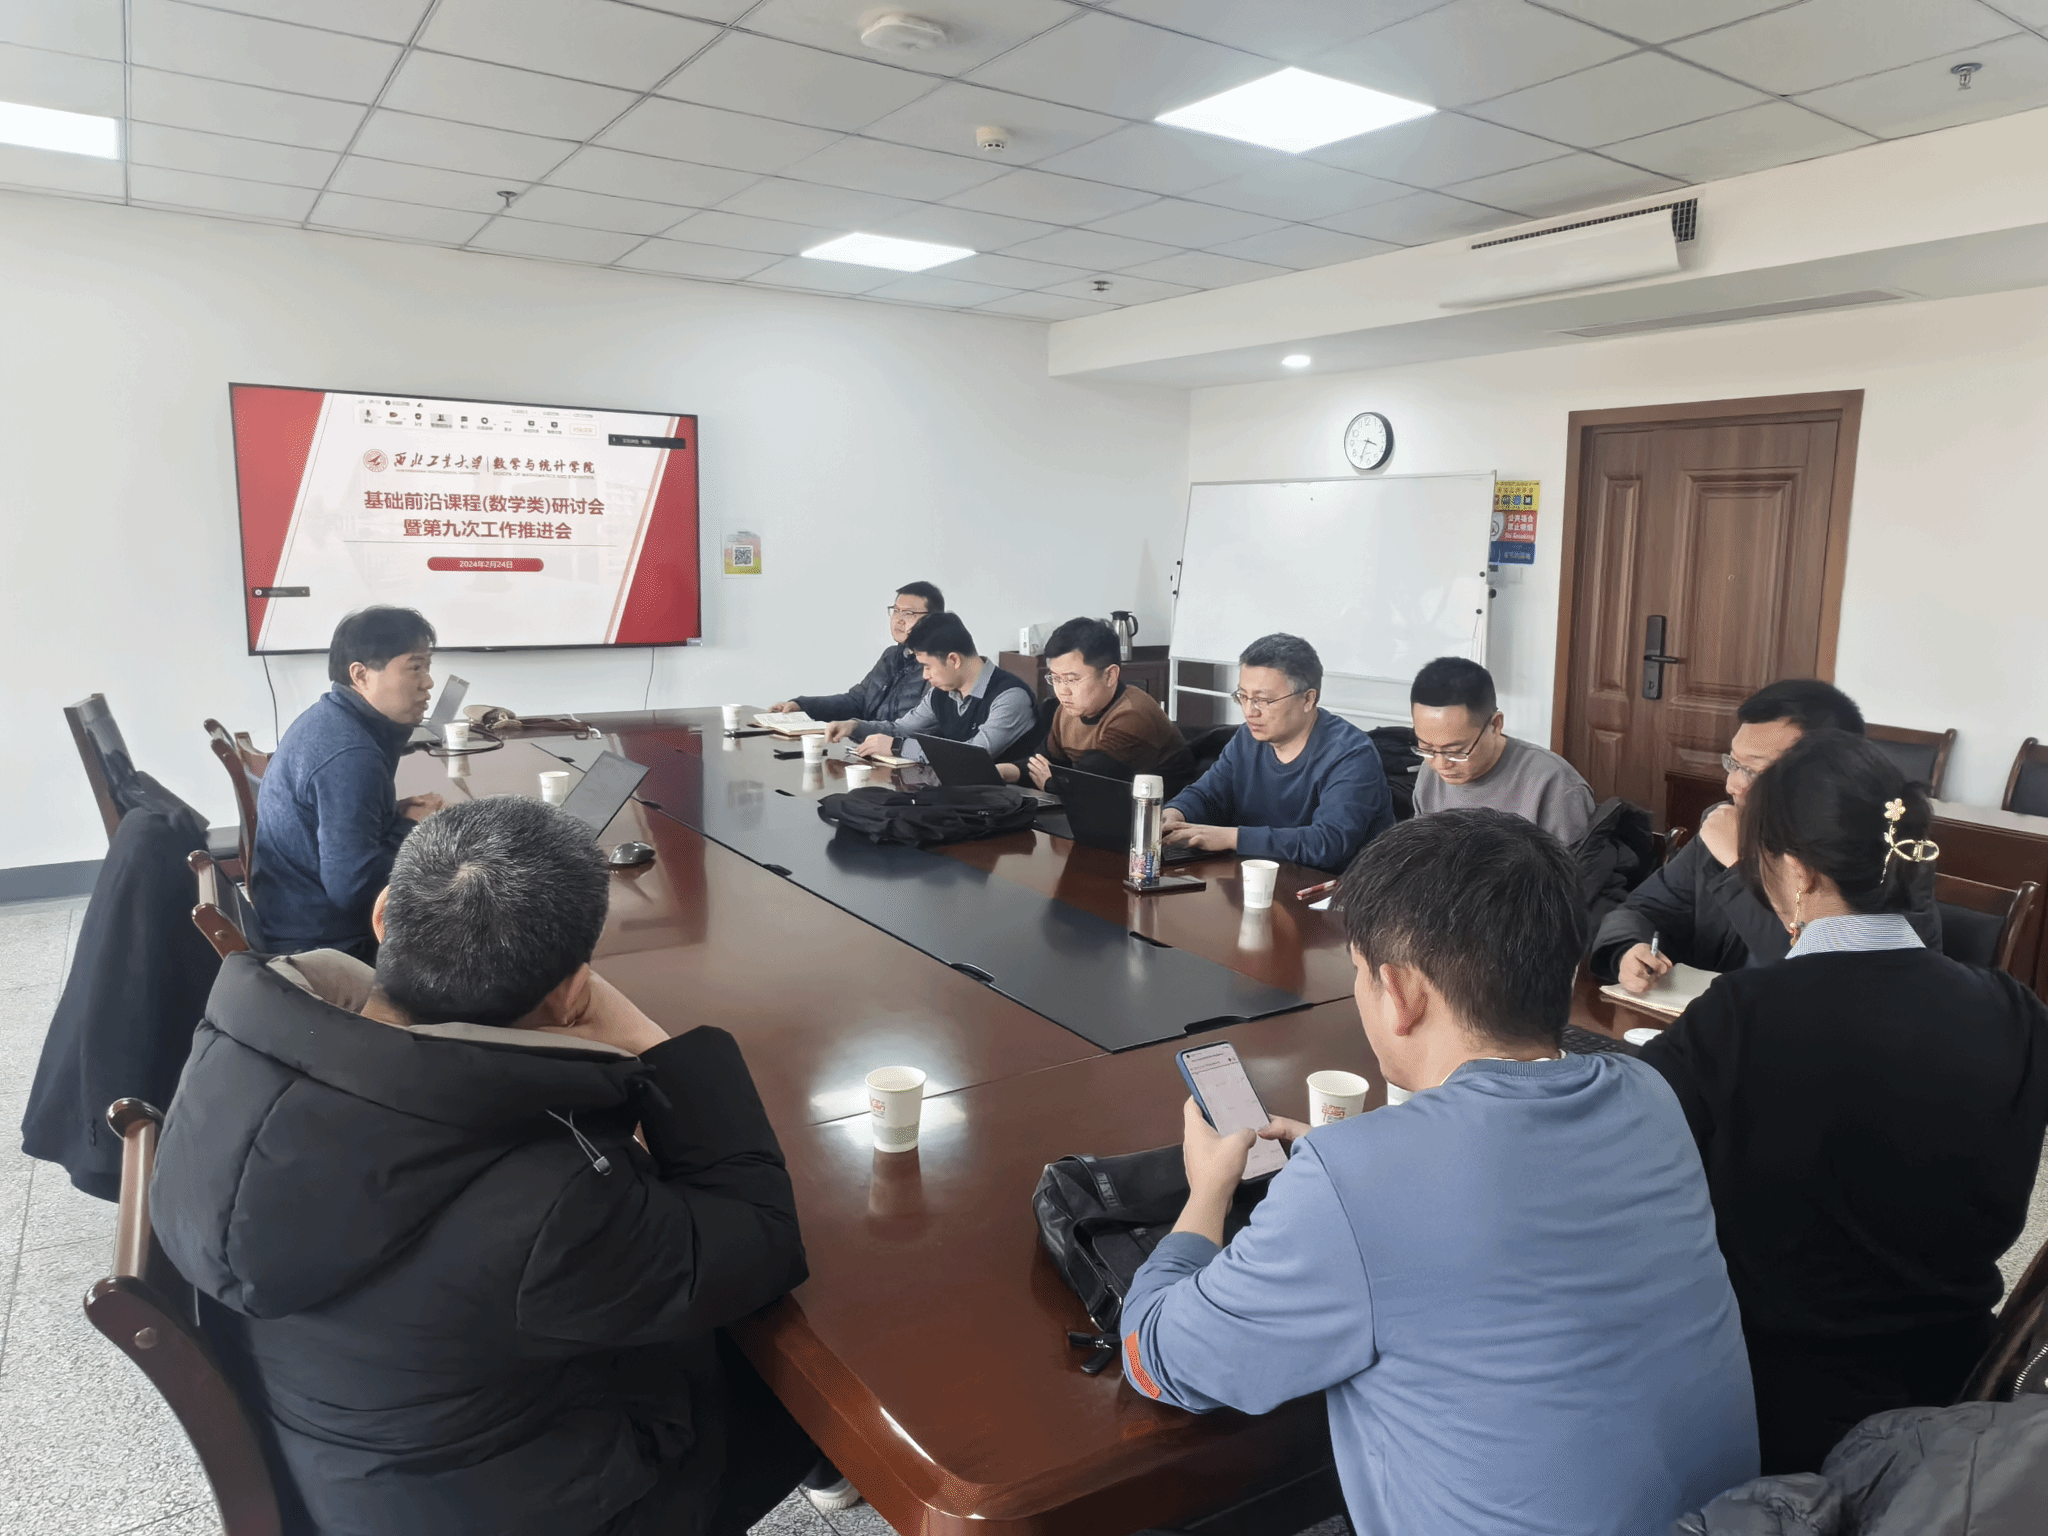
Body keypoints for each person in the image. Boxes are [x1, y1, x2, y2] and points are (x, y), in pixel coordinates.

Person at [150, 796, 819, 1536]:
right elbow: (761, 1242)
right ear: (572, 991)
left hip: (355, 1473)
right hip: (522, 1511)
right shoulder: (551, 1204)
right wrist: (652, 1046)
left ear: (383, 917)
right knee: (811, 1378)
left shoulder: (235, 1053)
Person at [1119, 809, 1758, 1534]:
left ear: (1401, 993)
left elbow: (1159, 1358)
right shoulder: (1649, 1095)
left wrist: (1208, 1192)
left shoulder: (1358, 1183)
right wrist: (1365, 1167)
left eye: (1357, 973)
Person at [1640, 730, 2048, 1475]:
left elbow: (1627, 1162)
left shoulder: (1743, 1015)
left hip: (1768, 1409)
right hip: (1952, 1400)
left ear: (1797, 872)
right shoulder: (2017, 1012)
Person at [1591, 678, 1938, 992]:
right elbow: (1644, 907)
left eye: (1755, 771)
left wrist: (1737, 864)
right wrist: (1628, 948)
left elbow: (1820, 976)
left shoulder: (1880, 858)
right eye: (1733, 764)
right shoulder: (1727, 826)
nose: (1732, 785)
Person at [253, 606, 445, 958]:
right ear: (361, 675)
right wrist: (409, 829)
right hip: (329, 948)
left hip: (294, 920)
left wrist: (390, 816)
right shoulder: (351, 754)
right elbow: (354, 890)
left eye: (428, 667)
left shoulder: (330, 719)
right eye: (415, 667)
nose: (428, 682)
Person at [1162, 633, 1392, 871]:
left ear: (1308, 699)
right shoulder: (1246, 739)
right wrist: (1175, 813)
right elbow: (1209, 794)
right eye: (1243, 697)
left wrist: (1232, 838)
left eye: (1263, 700)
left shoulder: (1351, 755)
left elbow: (1328, 843)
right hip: (1260, 879)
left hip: (1335, 887)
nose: (1249, 711)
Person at [1409, 655, 1594, 845]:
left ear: (1495, 725)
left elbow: (1570, 864)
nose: (1441, 764)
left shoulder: (1554, 785)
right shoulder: (1429, 773)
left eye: (1456, 751)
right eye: (1427, 748)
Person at [1001, 615, 1194, 793]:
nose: (1062, 691)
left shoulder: (1132, 715)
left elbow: (1086, 785)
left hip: (1158, 813)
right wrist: (1002, 772)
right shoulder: (1067, 710)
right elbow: (1042, 764)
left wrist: (1051, 783)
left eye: (1072, 679)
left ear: (1110, 676)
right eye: (1056, 679)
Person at [825, 611, 1036, 767]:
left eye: (927, 666)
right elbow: (902, 729)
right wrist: (854, 726)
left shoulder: (1010, 697)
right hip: (961, 795)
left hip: (1011, 802)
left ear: (954, 660)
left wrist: (897, 747)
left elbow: (974, 755)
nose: (925, 676)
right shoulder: (941, 693)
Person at [770, 580, 941, 723]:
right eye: (896, 611)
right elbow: (857, 701)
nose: (899, 619)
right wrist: (802, 706)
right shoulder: (891, 656)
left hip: (897, 748)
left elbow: (918, 729)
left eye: (909, 613)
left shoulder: (938, 667)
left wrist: (857, 729)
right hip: (867, 744)